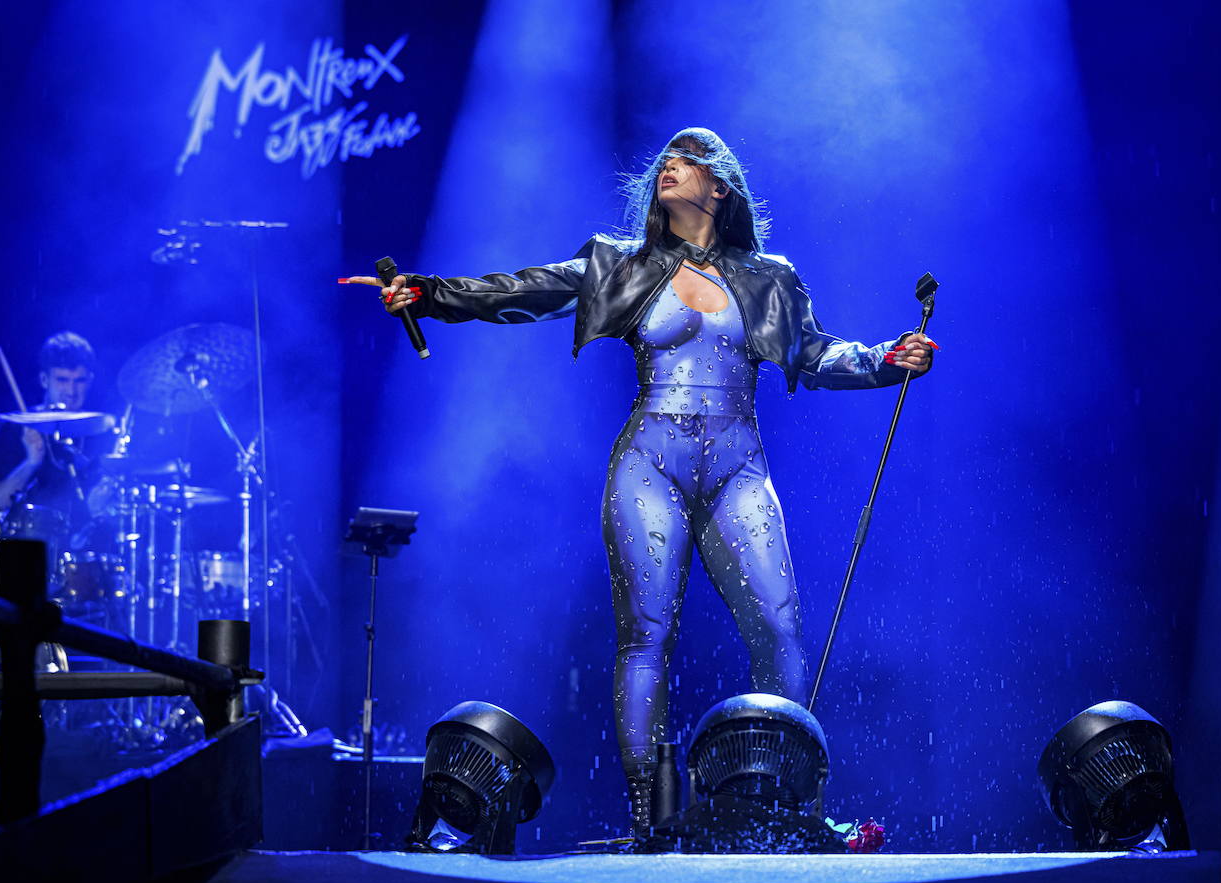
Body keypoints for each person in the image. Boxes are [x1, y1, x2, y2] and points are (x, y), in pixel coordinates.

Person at [345, 128, 935, 832]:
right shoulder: (617, 262)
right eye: (665, 161)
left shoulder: (771, 277)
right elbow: (528, 289)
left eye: (686, 161)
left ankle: (786, 811)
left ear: (721, 187)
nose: (669, 167)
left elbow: (813, 352)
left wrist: (884, 358)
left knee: (779, 627)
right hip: (649, 457)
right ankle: (651, 820)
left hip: (736, 459)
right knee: (647, 635)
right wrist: (430, 293)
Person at [0, 331, 111, 541]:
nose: (71, 390)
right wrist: (31, 463)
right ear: (44, 379)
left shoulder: (101, 431)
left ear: (90, 381)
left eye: (79, 381)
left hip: (83, 559)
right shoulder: (17, 427)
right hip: (24, 552)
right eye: (62, 380)